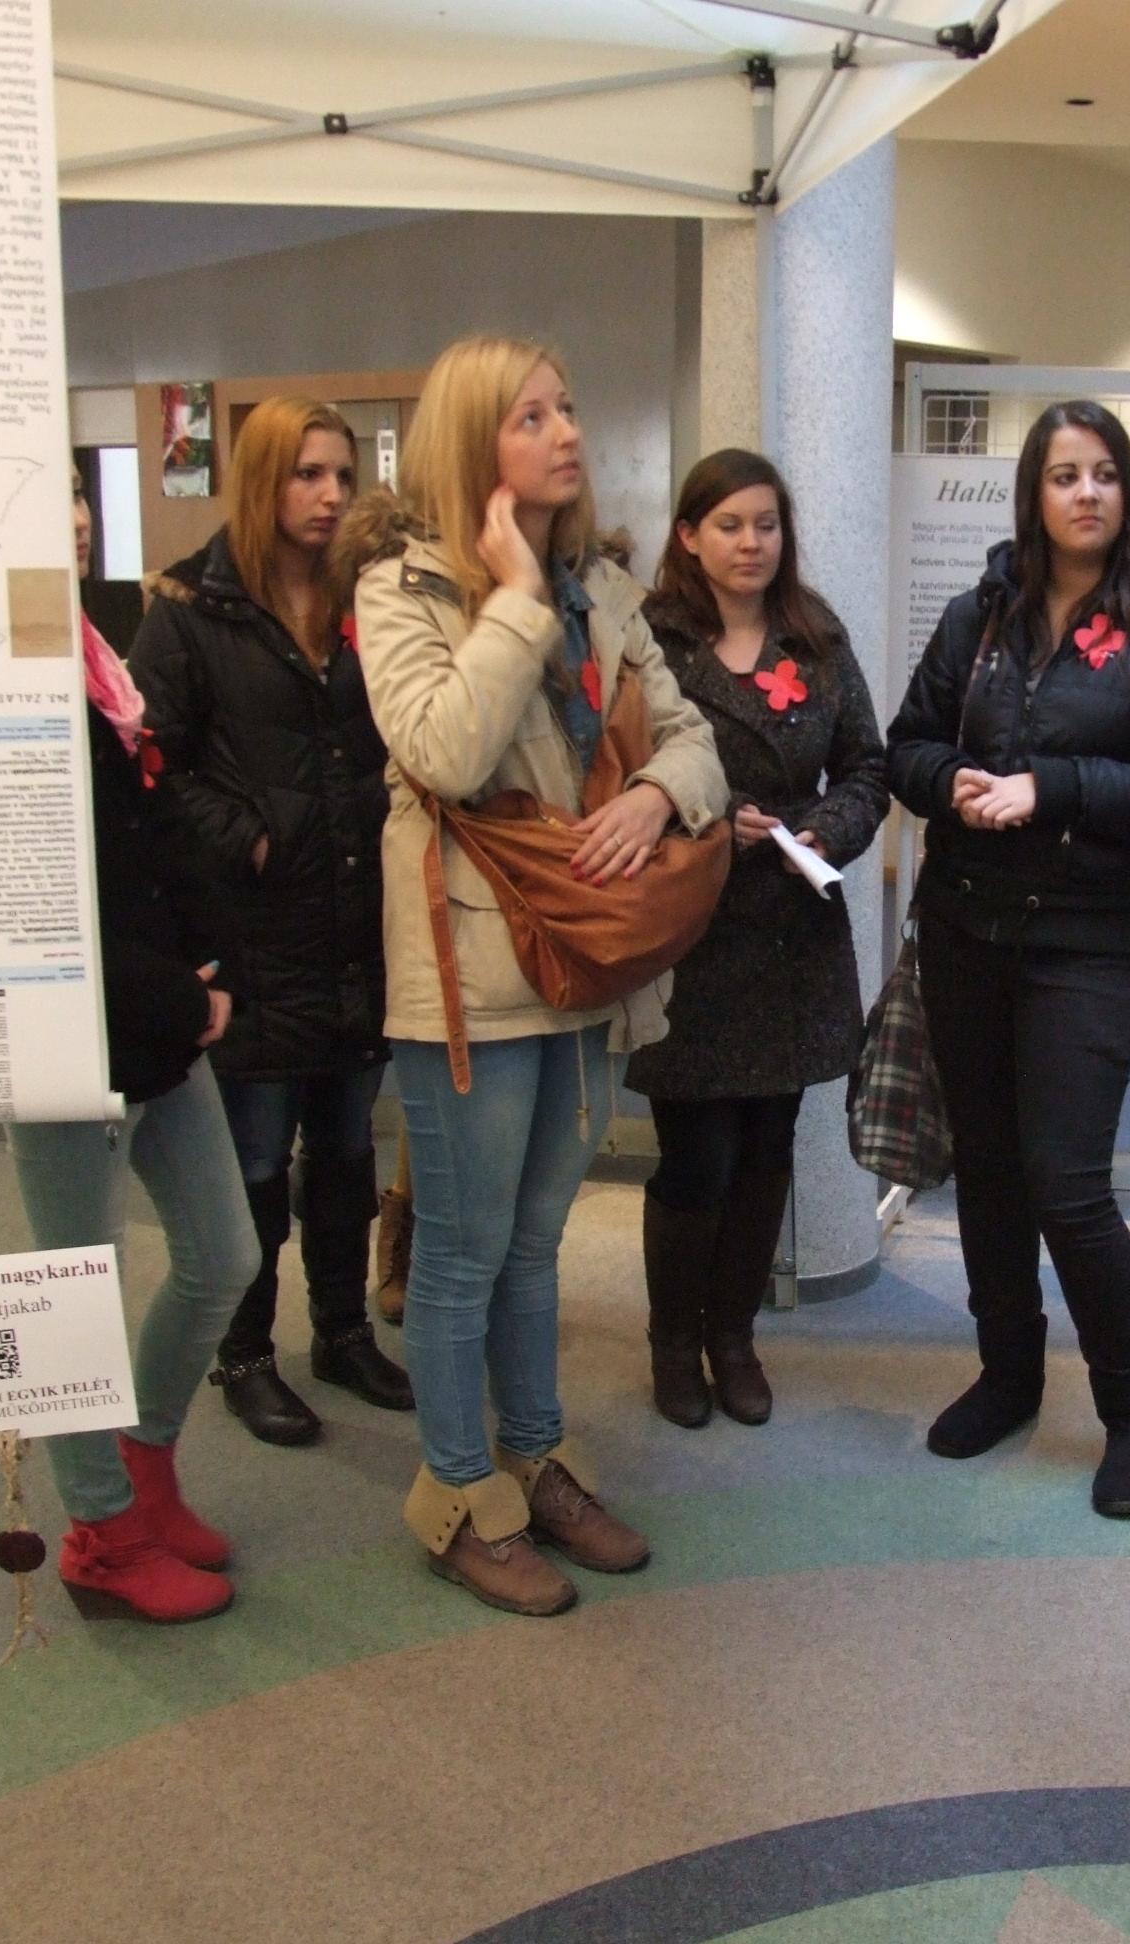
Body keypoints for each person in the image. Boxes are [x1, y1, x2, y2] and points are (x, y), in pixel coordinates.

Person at [345, 334, 727, 1617]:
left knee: (535, 1242)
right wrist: (512, 592)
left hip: (594, 960)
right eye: (530, 417)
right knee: (462, 1253)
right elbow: (447, 751)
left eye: (567, 408)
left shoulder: (604, 587)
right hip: (473, 969)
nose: (566, 432)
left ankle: (536, 1456)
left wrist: (657, 797)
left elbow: (693, 735)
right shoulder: (403, 589)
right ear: (472, 444)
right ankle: (461, 1495)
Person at [886, 399, 1130, 1521]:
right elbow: (905, 745)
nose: (1086, 493)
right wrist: (948, 781)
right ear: (1033, 495)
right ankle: (1009, 1376)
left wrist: (1054, 788)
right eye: (1063, 475)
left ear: (1127, 490)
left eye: (1104, 474)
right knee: (988, 1171)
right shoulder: (980, 615)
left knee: (1068, 1186)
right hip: (965, 933)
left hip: (1084, 946)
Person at [131, 397, 411, 1447]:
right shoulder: (190, 612)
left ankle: (341, 1332)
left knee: (343, 1154)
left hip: (357, 926)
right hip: (255, 933)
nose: (330, 495)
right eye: (306, 474)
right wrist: (247, 836)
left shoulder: (368, 598)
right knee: (254, 1160)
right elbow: (146, 764)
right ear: (260, 481)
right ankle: (243, 1353)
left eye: (341, 474)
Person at [9, 472, 260, 1625]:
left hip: (156, 1018)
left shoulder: (89, 649)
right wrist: (176, 992)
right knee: (75, 1292)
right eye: (42, 499)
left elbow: (150, 830)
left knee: (223, 1256)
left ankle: (145, 1467)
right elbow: (29, 895)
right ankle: (101, 1535)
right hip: (64, 1032)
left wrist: (210, 964)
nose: (73, 518)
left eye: (74, 494)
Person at [623, 450, 888, 1428]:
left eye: (766, 525)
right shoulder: (650, 641)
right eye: (730, 525)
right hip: (688, 932)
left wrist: (827, 829)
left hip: (790, 929)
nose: (751, 543)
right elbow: (618, 768)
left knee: (768, 1149)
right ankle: (672, 1344)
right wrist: (706, 813)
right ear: (689, 536)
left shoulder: (814, 636)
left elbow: (867, 768)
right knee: (696, 1158)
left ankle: (733, 1339)